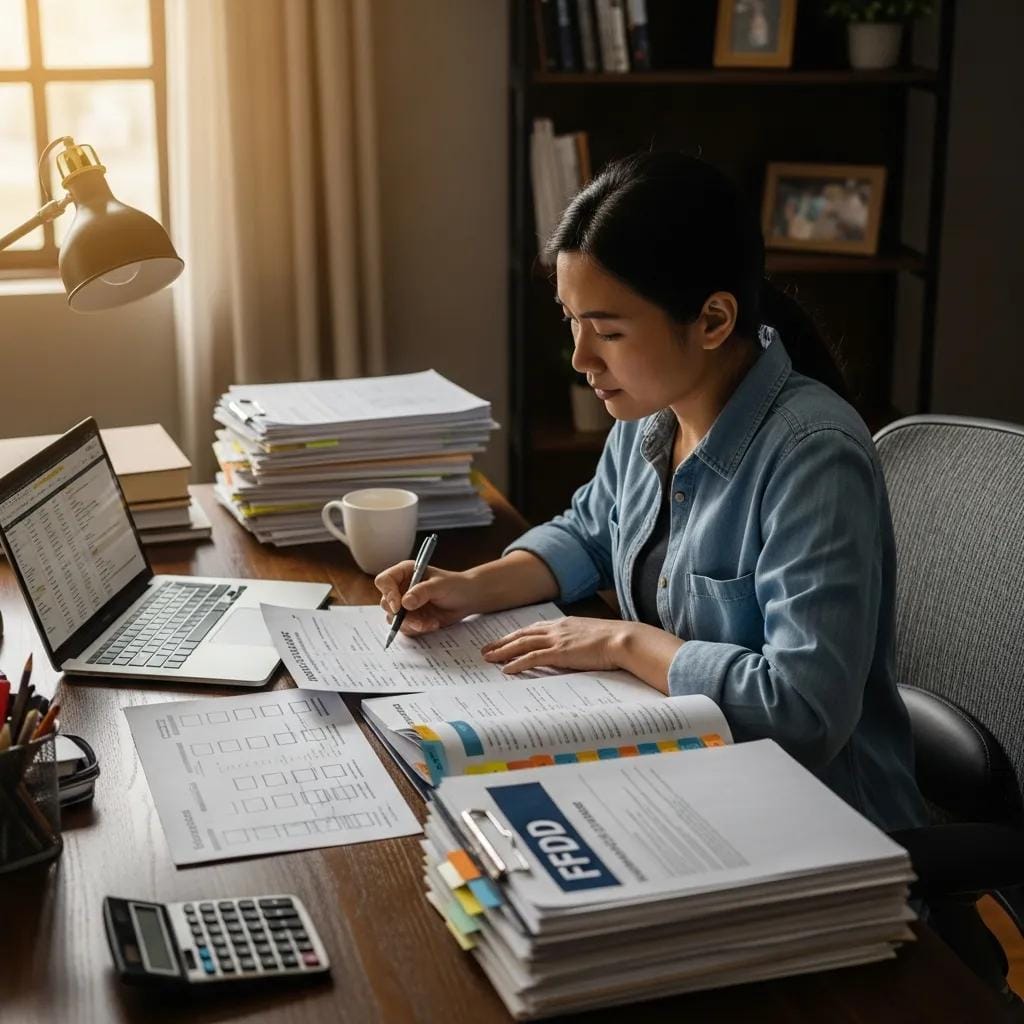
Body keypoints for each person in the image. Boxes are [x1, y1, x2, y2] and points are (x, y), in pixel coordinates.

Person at [374, 151, 924, 834]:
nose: (581, 359)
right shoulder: (653, 415)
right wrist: (470, 587)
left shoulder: (813, 457)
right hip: (691, 776)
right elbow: (589, 533)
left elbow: (803, 711)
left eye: (607, 331)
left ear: (714, 320)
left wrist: (626, 643)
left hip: (822, 820)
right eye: (571, 321)